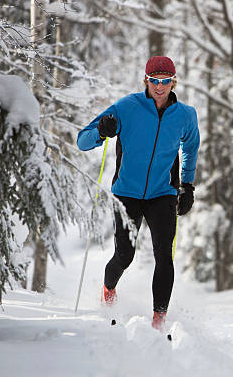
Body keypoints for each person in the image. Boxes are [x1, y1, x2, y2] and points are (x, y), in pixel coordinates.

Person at [77, 56, 200, 331]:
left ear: (173, 81)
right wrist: (101, 130)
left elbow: (191, 147)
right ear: (146, 80)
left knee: (164, 255)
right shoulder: (127, 107)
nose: (160, 86)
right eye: (154, 81)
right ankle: (108, 289)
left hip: (162, 193)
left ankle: (159, 320)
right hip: (126, 194)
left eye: (165, 81)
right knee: (125, 255)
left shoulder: (185, 115)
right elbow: (82, 141)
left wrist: (187, 185)